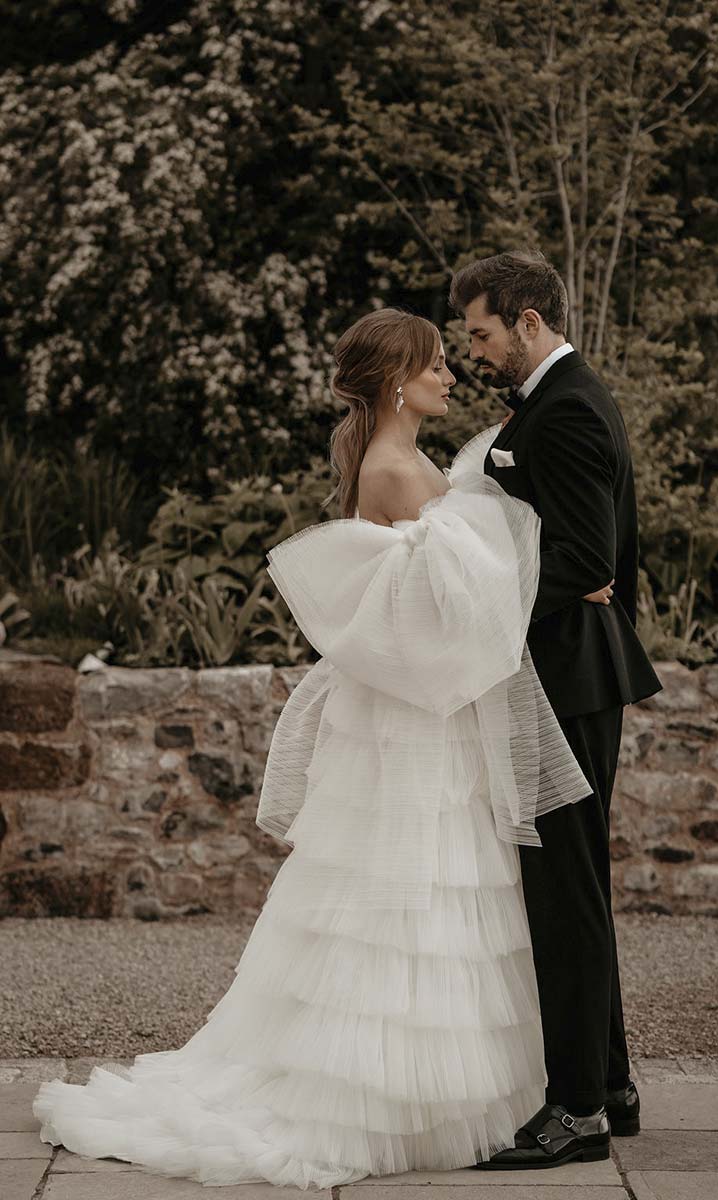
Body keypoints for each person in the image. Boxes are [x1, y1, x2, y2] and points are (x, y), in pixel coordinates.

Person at [32, 307, 604, 1189]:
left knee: (420, 887)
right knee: (410, 891)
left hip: (412, 709)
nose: (451, 375)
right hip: (418, 720)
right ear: (395, 382)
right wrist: (556, 572)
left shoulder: (404, 463)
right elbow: (463, 601)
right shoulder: (396, 471)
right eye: (437, 364)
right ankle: (381, 1094)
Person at [449, 251, 662, 1169]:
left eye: (483, 333)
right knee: (578, 886)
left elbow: (591, 560)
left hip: (565, 680)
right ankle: (608, 1082)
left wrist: (474, 602)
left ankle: (575, 1108)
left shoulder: (567, 406)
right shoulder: (561, 397)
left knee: (564, 892)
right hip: (574, 669)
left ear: (529, 321)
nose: (473, 351)